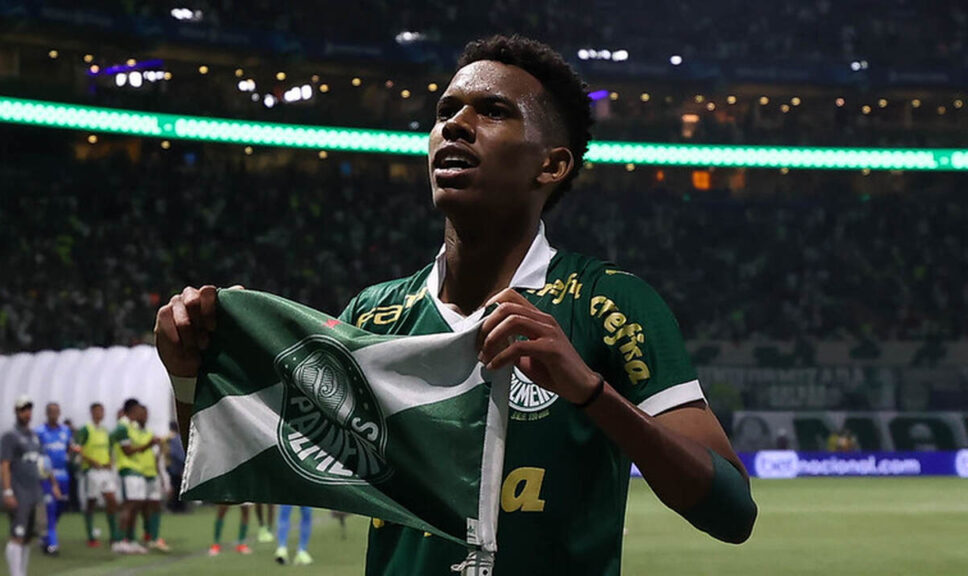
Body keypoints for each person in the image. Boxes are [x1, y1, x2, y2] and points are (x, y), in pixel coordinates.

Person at [155, 35, 757, 575]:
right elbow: (252, 459)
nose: (456, 125)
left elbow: (732, 512)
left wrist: (590, 392)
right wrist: (188, 374)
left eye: (492, 111)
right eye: (446, 111)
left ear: (551, 165)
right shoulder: (374, 316)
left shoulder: (609, 303)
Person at [0, 395, 61, 576]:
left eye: (28, 410)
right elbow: (4, 465)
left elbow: (44, 463)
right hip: (19, 492)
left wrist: (53, 484)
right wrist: (7, 491)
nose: (26, 413)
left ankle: (22, 572)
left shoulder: (34, 437)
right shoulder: (10, 437)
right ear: (16, 412)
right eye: (23, 410)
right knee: (17, 534)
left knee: (28, 537)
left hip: (36, 492)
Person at [111, 399, 156, 554]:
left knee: (136, 507)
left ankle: (131, 539)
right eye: (138, 410)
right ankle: (119, 540)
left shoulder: (132, 426)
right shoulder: (122, 427)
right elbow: (127, 451)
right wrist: (148, 445)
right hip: (127, 470)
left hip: (137, 470)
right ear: (132, 410)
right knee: (129, 505)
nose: (140, 413)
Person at [74, 403, 119, 548]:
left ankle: (114, 535)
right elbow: (77, 448)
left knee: (111, 500)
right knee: (91, 502)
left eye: (102, 411)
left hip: (105, 471)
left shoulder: (106, 431)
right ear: (92, 412)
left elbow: (110, 449)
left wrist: (110, 462)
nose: (100, 413)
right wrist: (91, 461)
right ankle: (90, 535)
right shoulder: (86, 429)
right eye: (97, 411)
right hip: (91, 471)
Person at [34, 402, 72, 555]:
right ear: (46, 413)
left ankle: (45, 535)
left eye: (56, 411)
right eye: (51, 411)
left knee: (60, 508)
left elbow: (68, 448)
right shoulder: (39, 432)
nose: (54, 414)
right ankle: (52, 545)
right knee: (50, 508)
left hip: (63, 476)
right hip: (47, 476)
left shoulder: (66, 431)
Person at [135, 405, 170, 551]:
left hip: (152, 474)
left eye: (146, 414)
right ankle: (145, 534)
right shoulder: (133, 433)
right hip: (138, 474)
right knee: (141, 507)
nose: (144, 417)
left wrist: (161, 477)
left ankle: (154, 537)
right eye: (141, 414)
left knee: (155, 505)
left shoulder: (150, 433)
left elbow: (157, 456)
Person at [165, 421, 187, 513]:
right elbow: (177, 454)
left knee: (175, 486)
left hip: (171, 466)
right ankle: (177, 507)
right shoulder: (176, 438)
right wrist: (184, 464)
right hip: (177, 467)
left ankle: (174, 506)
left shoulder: (169, 438)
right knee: (178, 487)